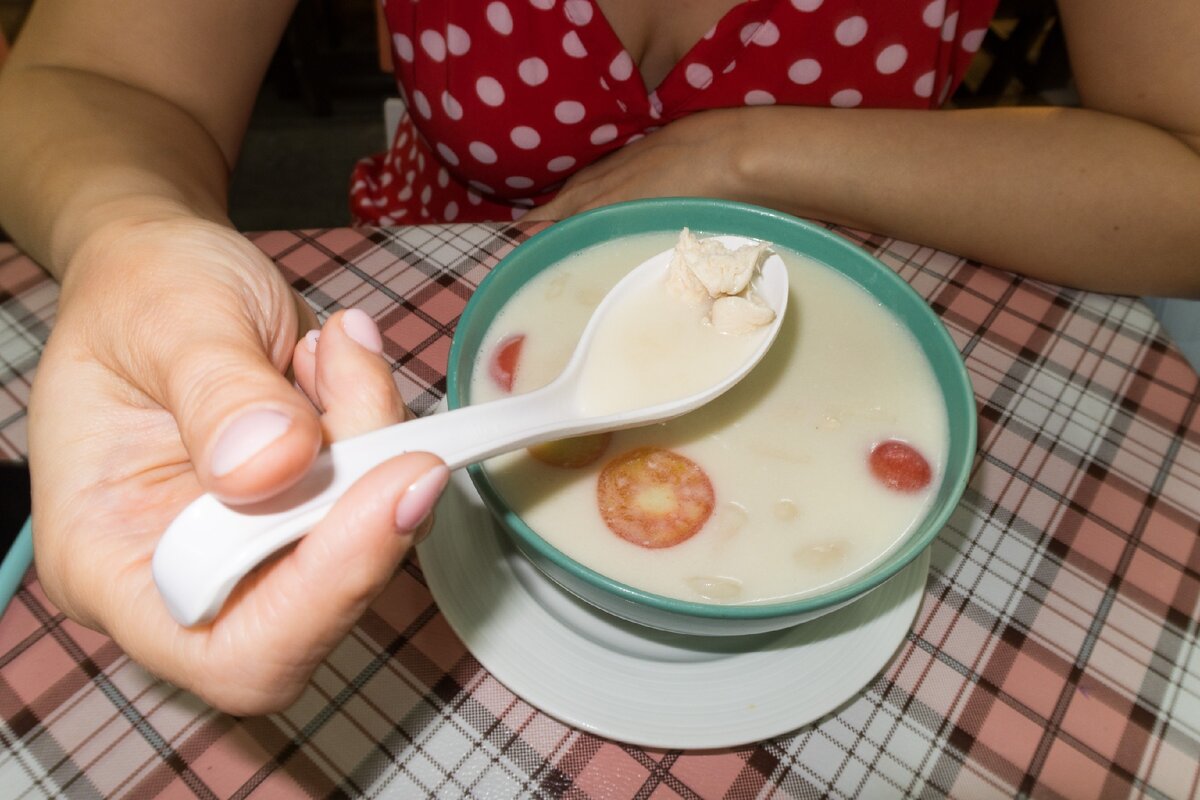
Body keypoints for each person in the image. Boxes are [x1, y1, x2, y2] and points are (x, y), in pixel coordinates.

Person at [0, 0, 1195, 715]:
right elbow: (91, 79)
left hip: (858, 314)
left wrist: (744, 153)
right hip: (407, 314)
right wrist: (132, 235)